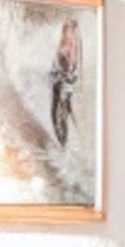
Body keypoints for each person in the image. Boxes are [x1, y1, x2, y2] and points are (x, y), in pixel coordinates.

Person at [49, 17, 82, 150]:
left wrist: (64, 74)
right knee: (54, 111)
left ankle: (65, 143)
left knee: (63, 112)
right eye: (65, 28)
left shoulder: (72, 46)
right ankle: (62, 143)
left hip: (64, 85)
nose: (65, 31)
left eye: (68, 29)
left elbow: (71, 68)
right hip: (57, 83)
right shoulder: (63, 43)